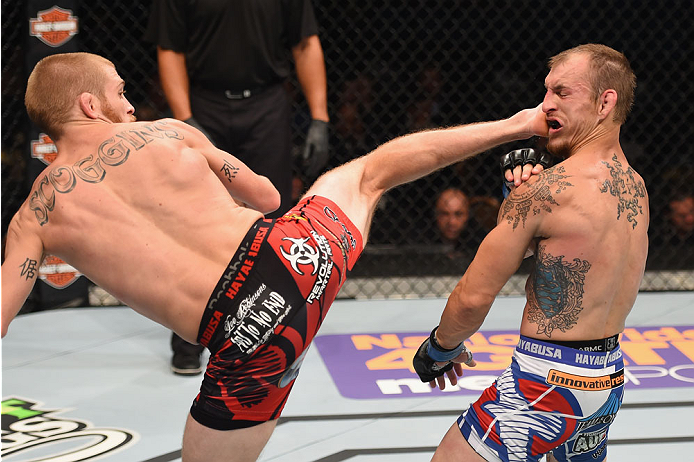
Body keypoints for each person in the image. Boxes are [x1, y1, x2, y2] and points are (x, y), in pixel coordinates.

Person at [1, 52, 551, 461]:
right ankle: (519, 123)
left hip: (245, 340)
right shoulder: (167, 132)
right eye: (120, 93)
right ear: (89, 104)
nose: (128, 104)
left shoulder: (34, 216)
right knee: (366, 173)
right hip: (293, 258)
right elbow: (266, 196)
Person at [413, 43, 646, 462]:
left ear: (604, 102)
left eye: (562, 92)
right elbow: (567, 250)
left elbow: (473, 296)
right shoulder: (637, 188)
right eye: (546, 91)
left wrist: (440, 347)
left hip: (546, 384)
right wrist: (516, 198)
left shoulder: (547, 192)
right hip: (606, 380)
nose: (545, 105)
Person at [145, 0, 331, 374]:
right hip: (204, 101)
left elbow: (305, 43)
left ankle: (270, 332)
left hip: (266, 104)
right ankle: (187, 336)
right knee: (195, 219)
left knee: (273, 216)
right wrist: (185, 117)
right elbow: (170, 49)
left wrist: (319, 117)